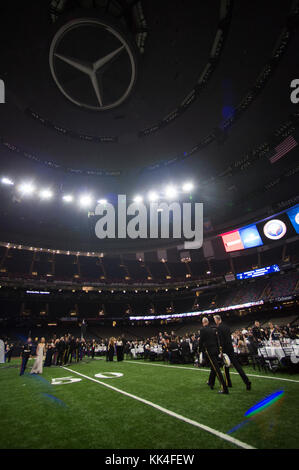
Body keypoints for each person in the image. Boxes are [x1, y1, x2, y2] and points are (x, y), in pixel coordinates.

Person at [213, 315, 251, 391]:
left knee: (226, 367)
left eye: (214, 319)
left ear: (217, 320)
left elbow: (221, 341)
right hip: (230, 348)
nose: (214, 321)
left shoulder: (219, 328)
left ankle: (228, 383)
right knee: (236, 366)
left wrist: (221, 351)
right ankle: (246, 382)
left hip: (225, 350)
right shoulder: (226, 326)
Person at [198, 317, 229, 394]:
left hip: (210, 351)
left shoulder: (202, 330)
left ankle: (224, 388)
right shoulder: (213, 329)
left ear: (203, 323)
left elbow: (201, 341)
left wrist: (199, 351)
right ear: (207, 322)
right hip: (216, 350)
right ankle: (211, 382)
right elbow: (217, 340)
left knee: (216, 369)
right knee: (214, 367)